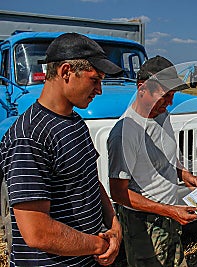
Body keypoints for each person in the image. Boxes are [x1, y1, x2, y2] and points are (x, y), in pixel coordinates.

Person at [0, 32, 123, 266]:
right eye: (94, 80)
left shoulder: (75, 122)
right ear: (66, 71)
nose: (99, 90)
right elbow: (37, 231)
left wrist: (114, 224)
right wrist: (99, 245)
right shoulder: (29, 137)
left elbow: (89, 180)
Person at [107, 55, 197, 267]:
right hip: (144, 225)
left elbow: (164, 155)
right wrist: (168, 211)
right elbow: (119, 193)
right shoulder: (124, 133)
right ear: (142, 89)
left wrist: (183, 173)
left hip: (170, 216)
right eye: (165, 95)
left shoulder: (161, 115)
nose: (169, 103)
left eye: (173, 95)